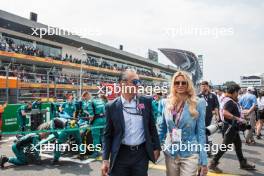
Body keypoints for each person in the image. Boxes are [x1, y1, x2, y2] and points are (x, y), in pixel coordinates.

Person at [101, 69, 161, 176]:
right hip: (120, 154)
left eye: (139, 82)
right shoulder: (111, 106)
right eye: (135, 82)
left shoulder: (145, 102)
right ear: (123, 83)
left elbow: (152, 127)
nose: (138, 85)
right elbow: (107, 135)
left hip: (141, 155)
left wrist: (156, 147)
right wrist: (105, 159)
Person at [158, 71, 208, 176]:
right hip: (171, 152)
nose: (180, 85)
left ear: (188, 84)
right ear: (173, 84)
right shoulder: (165, 102)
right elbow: (161, 128)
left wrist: (203, 161)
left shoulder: (198, 103)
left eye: (183, 82)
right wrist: (156, 148)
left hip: (190, 152)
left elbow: (201, 132)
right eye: (177, 83)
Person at [209, 83, 255, 173]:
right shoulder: (229, 101)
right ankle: (213, 163)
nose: (238, 94)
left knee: (238, 145)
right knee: (225, 146)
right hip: (230, 127)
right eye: (237, 92)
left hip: (232, 127)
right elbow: (226, 113)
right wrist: (238, 118)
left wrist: (241, 116)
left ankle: (242, 163)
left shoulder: (227, 99)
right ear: (234, 92)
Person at [198, 81, 219, 157]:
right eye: (202, 86)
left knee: (204, 132)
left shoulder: (213, 96)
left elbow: (216, 106)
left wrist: (217, 115)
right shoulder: (198, 96)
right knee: (203, 132)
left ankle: (207, 148)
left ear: (207, 86)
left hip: (208, 117)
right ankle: (207, 148)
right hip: (199, 117)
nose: (203, 87)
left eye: (205, 86)